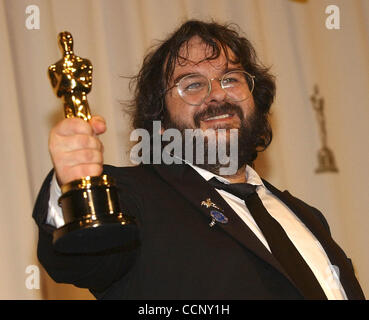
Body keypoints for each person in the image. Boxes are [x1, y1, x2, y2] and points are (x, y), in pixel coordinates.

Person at [33, 20, 365, 300]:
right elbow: (79, 258)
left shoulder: (308, 216)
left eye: (231, 78)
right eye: (192, 84)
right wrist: (75, 185)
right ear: (160, 126)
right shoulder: (134, 197)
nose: (218, 94)